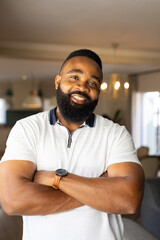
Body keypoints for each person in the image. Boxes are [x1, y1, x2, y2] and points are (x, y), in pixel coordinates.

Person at [0, 49, 144, 240]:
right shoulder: (27, 129)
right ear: (58, 81)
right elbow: (13, 201)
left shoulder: (116, 134)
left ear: (98, 90)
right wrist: (100, 188)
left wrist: (57, 179)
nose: (83, 87)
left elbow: (129, 200)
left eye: (93, 82)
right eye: (74, 77)